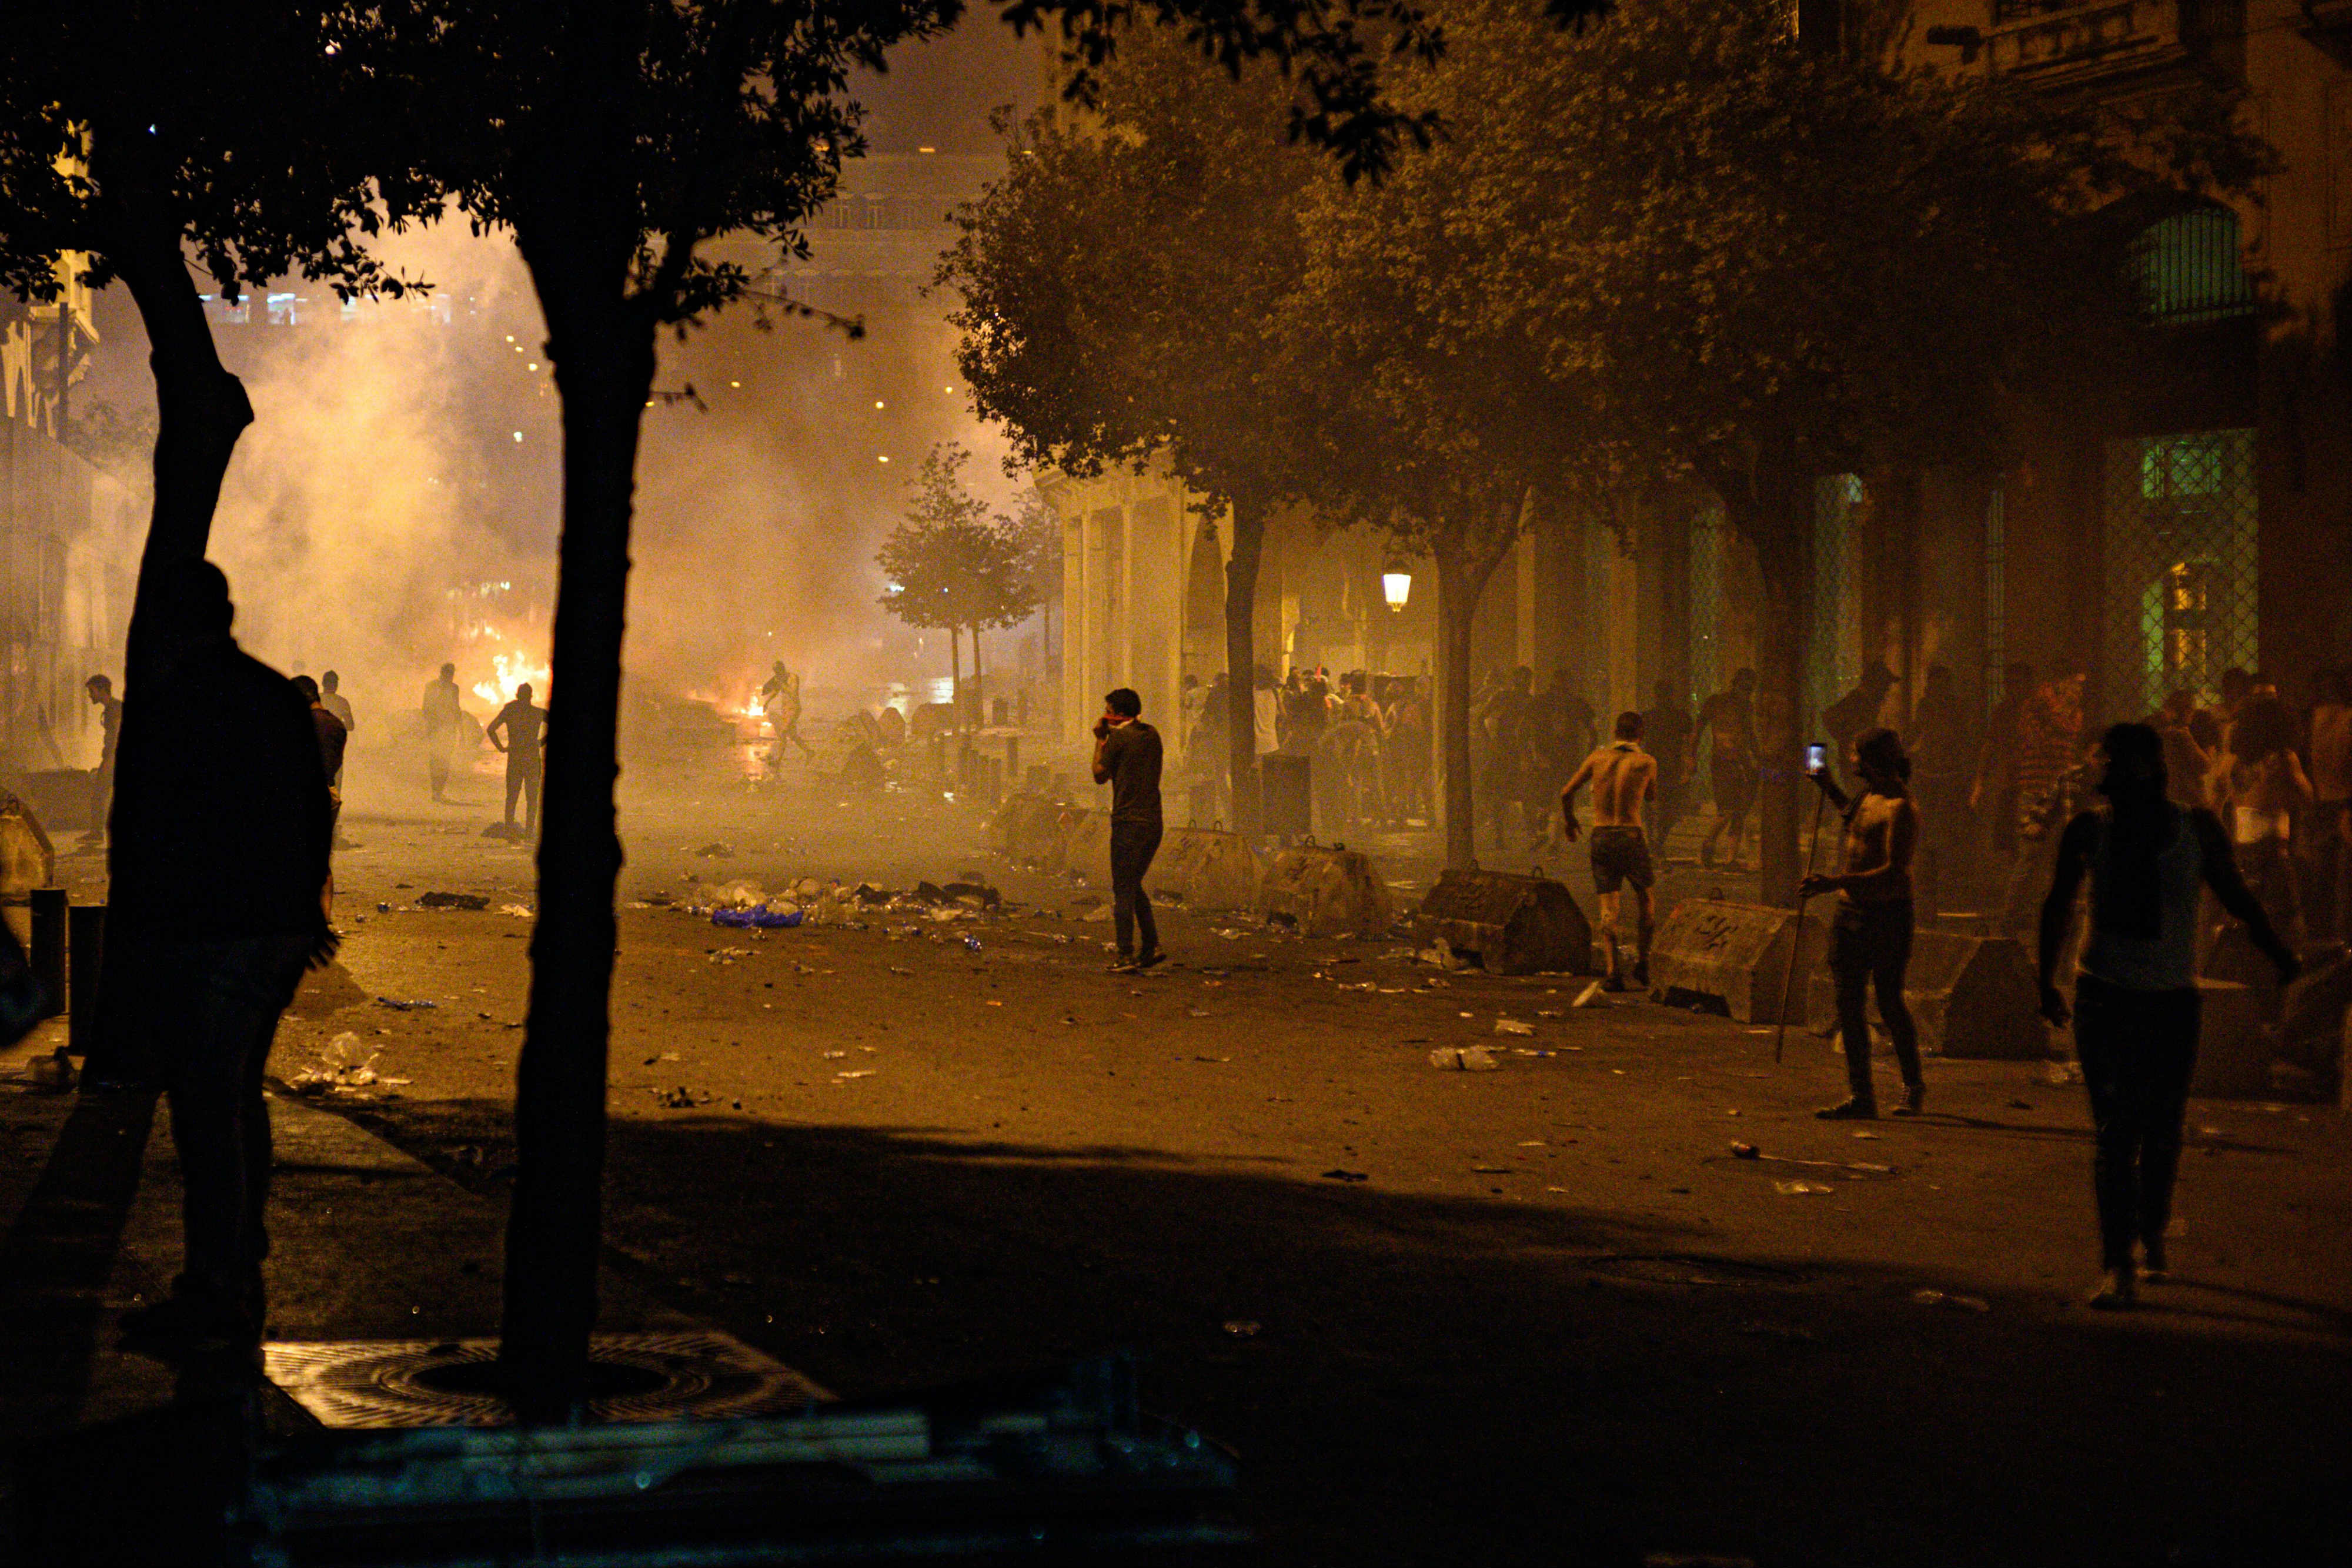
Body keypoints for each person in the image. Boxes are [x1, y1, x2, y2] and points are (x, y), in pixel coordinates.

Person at [111, 560, 335, 1350]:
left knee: (207, 1105)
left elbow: (148, 828)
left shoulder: (174, 700)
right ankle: (240, 1251)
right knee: (239, 1093)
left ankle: (216, 1284)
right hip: (274, 928)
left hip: (211, 929)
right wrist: (307, 911)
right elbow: (315, 809)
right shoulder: (275, 695)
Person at [2038, 723, 2298, 1309]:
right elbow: (2057, 904)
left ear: (2144, 769)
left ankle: (2150, 1232)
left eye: (2109, 762)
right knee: (2115, 1132)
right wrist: (2046, 982)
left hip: (2167, 999)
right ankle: (2118, 1262)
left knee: (2159, 1128)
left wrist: (2278, 952)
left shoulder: (2195, 829)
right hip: (2103, 994)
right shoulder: (2090, 828)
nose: (2100, 772)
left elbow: (2235, 895)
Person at [1804, 727, 1925, 1120]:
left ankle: (1912, 1085)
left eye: (1855, 754)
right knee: (1848, 1004)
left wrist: (1834, 881)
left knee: (1889, 1002)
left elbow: (1894, 871)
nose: (1851, 759)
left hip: (1887, 915)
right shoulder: (1867, 796)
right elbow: (1852, 819)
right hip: (1849, 913)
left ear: (1872, 760)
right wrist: (1827, 786)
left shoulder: (1900, 807)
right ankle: (1862, 1096)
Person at [1560, 713, 1659, 991]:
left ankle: (1613, 973)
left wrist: (1570, 822)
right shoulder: (1647, 762)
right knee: (1646, 902)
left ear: (1615, 732)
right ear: (1641, 734)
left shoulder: (1597, 758)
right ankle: (1642, 964)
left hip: (1602, 835)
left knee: (1608, 907)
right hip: (1630, 835)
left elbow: (1566, 793)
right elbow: (1651, 797)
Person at [2210, 693, 2313, 955]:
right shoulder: (2282, 759)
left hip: (2242, 851)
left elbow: (2216, 804)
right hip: (2273, 852)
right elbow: (2306, 797)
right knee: (2285, 928)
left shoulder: (2234, 762)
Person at [1091, 687, 1165, 972]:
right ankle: (1151, 946)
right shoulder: (1152, 734)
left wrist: (1100, 740)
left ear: (1117, 714)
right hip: (1153, 822)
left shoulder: (1119, 740)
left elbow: (1099, 774)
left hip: (1128, 822)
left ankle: (1125, 954)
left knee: (1123, 889)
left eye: (1108, 710)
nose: (1105, 714)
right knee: (1133, 884)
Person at [1907, 664, 1966, 908]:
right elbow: (1918, 733)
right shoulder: (1925, 706)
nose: (1938, 688)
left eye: (1942, 683)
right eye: (1935, 683)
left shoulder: (1955, 708)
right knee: (1925, 828)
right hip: (1927, 775)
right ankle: (1928, 884)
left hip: (1949, 775)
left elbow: (1961, 738)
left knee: (1947, 830)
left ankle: (1947, 883)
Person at [1696, 668, 1759, 870]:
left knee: (1740, 811)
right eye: (1744, 687)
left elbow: (1749, 734)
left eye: (1750, 689)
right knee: (1726, 810)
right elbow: (1699, 728)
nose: (1747, 692)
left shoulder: (1747, 706)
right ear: (1736, 684)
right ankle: (1709, 843)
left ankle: (1730, 859)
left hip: (1742, 762)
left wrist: (1757, 757)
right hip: (1723, 761)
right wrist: (1691, 755)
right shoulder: (1717, 702)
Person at [2306, 669, 2352, 944]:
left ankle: (2322, 939)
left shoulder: (2315, 719)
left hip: (2321, 802)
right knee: (2345, 878)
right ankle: (2342, 939)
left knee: (2322, 874)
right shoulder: (2347, 719)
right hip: (2345, 803)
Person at [485, 682, 549, 838]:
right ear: (531, 697)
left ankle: (509, 829)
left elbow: (491, 729)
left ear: (517, 696)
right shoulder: (538, 713)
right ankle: (529, 831)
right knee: (532, 798)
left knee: (512, 797)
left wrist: (501, 748)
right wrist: (541, 742)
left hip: (515, 758)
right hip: (532, 758)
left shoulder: (510, 711)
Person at [1642, 679, 1694, 858]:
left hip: (1666, 766)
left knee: (1664, 807)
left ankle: (1655, 842)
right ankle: (1655, 843)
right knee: (1662, 807)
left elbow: (1688, 742)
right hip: (1663, 767)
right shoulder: (1649, 717)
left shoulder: (1679, 717)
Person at [1822, 660, 1899, 760]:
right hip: (1858, 764)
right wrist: (1847, 743)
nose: (1887, 690)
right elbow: (1829, 717)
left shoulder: (1869, 703)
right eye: (1885, 685)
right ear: (1875, 684)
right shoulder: (1857, 701)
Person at [84, 672, 122, 841]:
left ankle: (97, 833)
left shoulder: (115, 709)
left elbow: (117, 735)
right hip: (111, 758)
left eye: (92, 691)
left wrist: (109, 761)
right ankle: (97, 832)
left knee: (100, 793)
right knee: (100, 793)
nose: (90, 695)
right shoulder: (112, 708)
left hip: (112, 759)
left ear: (102, 690)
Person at [422, 662, 463, 801]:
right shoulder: (432, 686)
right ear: (443, 673)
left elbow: (457, 709)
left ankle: (439, 791)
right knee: (436, 760)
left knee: (444, 760)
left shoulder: (454, 688)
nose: (451, 676)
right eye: (449, 673)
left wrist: (460, 731)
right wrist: (431, 726)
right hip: (436, 729)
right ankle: (436, 791)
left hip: (447, 730)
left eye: (452, 674)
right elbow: (426, 708)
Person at [759, 660, 811, 765]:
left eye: (778, 671)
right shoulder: (780, 679)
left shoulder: (793, 678)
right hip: (785, 710)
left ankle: (778, 760)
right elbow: (776, 691)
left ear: (782, 669)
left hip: (794, 709)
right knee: (793, 735)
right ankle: (809, 752)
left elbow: (793, 693)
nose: (777, 674)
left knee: (783, 732)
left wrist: (782, 684)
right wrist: (767, 702)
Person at [318, 668, 355, 733]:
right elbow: (350, 725)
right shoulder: (342, 702)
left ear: (323, 683)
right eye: (330, 682)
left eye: (333, 682)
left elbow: (350, 726)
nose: (332, 685)